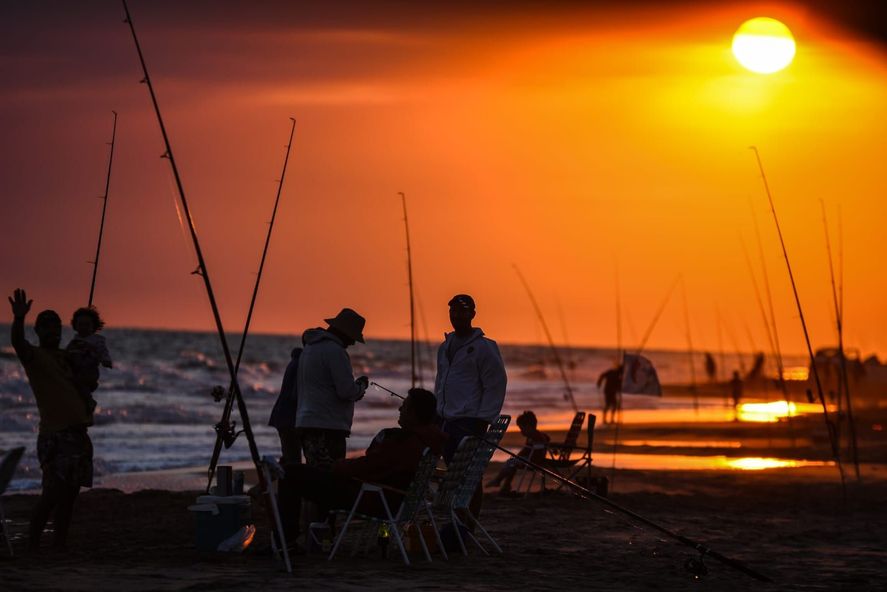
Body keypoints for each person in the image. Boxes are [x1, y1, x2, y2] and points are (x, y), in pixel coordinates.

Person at [279, 388, 446, 541]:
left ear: (415, 414)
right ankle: (300, 537)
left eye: (405, 406)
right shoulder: (427, 441)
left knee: (289, 473)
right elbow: (375, 466)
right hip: (390, 500)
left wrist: (337, 466)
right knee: (301, 472)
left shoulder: (406, 443)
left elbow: (368, 467)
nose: (400, 409)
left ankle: (286, 540)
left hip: (372, 499)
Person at [8, 289, 94, 552]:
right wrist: (19, 319)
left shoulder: (67, 357)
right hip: (55, 436)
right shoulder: (35, 356)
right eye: (46, 327)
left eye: (56, 327)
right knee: (52, 494)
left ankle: (59, 546)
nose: (52, 331)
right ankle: (33, 545)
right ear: (38, 331)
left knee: (70, 497)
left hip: (79, 435)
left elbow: (87, 380)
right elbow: (18, 343)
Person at [434, 294, 507, 463]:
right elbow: (440, 381)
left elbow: (496, 384)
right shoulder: (444, 347)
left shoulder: (484, 347)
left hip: (469, 423)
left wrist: (483, 419)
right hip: (444, 420)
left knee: (463, 469)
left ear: (472, 314)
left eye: (462, 311)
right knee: (448, 468)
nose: (456, 315)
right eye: (453, 311)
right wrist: (437, 410)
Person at [295, 308, 369, 469]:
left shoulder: (310, 349)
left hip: (307, 423)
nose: (352, 343)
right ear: (344, 332)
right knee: (331, 476)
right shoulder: (335, 351)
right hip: (328, 427)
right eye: (352, 337)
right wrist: (361, 386)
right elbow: (346, 391)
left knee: (315, 474)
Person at [487, 410, 549, 495]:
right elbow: (526, 451)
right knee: (512, 463)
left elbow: (534, 452)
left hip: (533, 462)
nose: (521, 431)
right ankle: (505, 485)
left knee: (511, 463)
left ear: (528, 426)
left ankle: (499, 481)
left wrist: (519, 458)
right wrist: (518, 457)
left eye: (522, 428)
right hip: (532, 461)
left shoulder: (536, 437)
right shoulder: (534, 436)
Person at [65, 306, 112, 415]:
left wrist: (106, 360)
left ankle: (89, 402)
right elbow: (66, 353)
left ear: (93, 327)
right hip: (76, 370)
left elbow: (103, 351)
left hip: (89, 371)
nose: (83, 328)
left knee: (81, 385)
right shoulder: (75, 340)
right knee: (73, 386)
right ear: (75, 326)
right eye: (80, 324)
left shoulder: (96, 340)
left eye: (87, 325)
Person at [268, 346, 303, 465]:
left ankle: (282, 473)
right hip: (289, 417)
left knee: (289, 455)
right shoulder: (300, 366)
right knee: (293, 459)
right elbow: (295, 395)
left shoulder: (293, 363)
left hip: (282, 415)